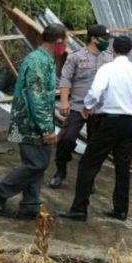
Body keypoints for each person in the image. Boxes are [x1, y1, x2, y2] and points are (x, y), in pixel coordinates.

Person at [56, 35, 132, 222]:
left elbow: (95, 91)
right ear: (130, 51)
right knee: (123, 167)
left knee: (89, 164)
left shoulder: (107, 68)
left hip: (109, 121)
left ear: (113, 50)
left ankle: (79, 208)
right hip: (129, 122)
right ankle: (121, 210)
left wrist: (87, 106)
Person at [0, 24, 67, 219]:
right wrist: (47, 127)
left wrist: (52, 117)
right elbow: (36, 97)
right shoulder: (38, 62)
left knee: (37, 162)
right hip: (30, 122)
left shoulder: (46, 60)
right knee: (36, 164)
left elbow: (44, 96)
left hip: (37, 120)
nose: (66, 46)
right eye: (66, 41)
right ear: (59, 41)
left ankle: (30, 205)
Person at [49, 24, 112, 188]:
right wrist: (63, 101)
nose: (107, 42)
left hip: (99, 110)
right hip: (78, 106)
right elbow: (65, 79)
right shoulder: (76, 56)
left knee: (95, 146)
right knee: (66, 139)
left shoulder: (109, 58)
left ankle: (89, 179)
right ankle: (60, 171)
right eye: (104, 39)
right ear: (93, 39)